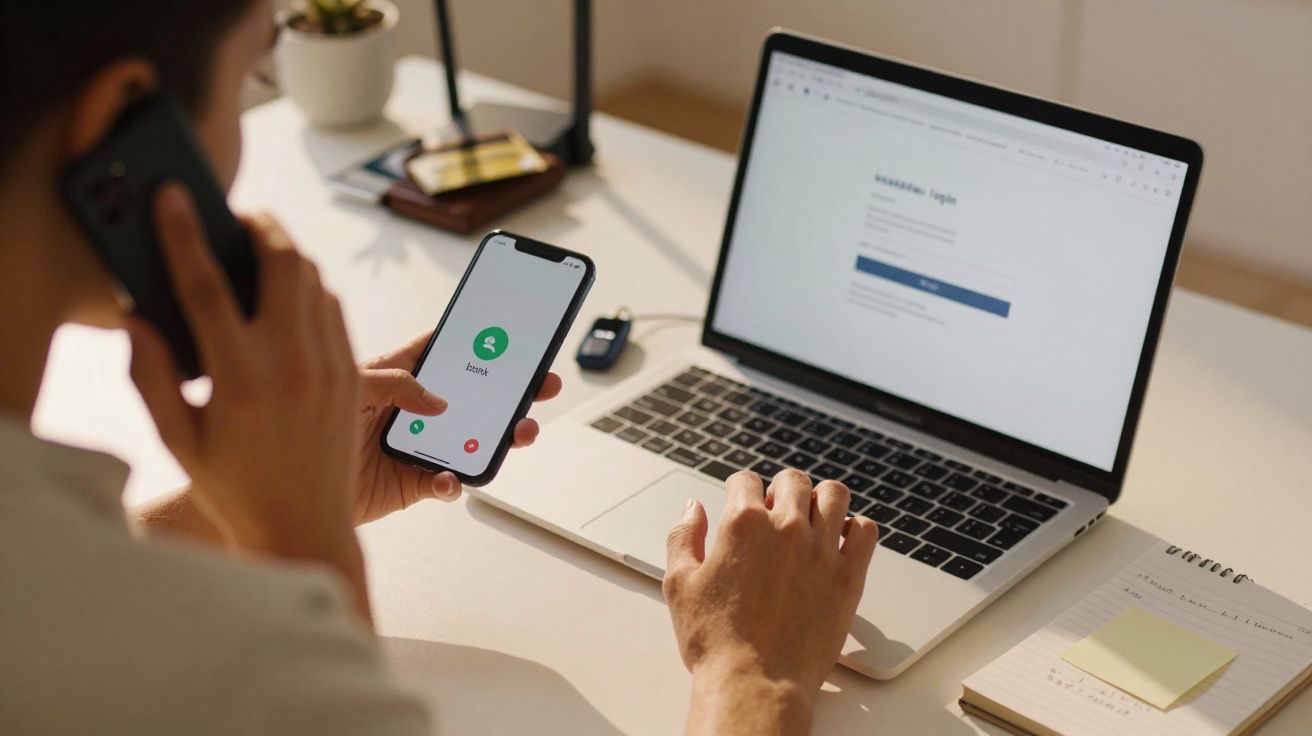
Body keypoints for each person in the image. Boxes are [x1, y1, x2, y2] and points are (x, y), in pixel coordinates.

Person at [0, 2, 880, 734]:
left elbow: (54, 597)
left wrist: (259, 503)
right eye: (253, 77)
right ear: (122, 126)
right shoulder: (248, 690)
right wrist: (752, 675)